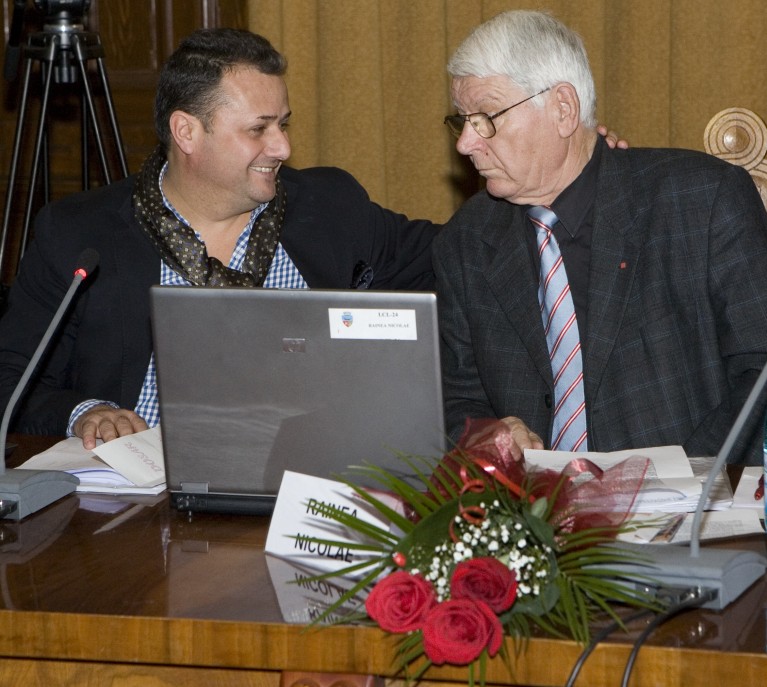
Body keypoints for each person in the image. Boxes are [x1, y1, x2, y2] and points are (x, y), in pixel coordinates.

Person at [0, 27, 625, 450]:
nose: (284, 148)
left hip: (312, 499)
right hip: (135, 516)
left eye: (286, 123)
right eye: (260, 129)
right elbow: (12, 383)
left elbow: (464, 257)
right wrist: (87, 414)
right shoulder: (80, 237)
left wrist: (572, 175)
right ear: (186, 132)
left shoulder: (328, 208)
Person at [433, 10, 767, 465]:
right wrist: (489, 435)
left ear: (562, 109)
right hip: (533, 519)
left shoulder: (701, 201)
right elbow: (454, 402)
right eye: (461, 121)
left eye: (485, 118)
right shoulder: (468, 240)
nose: (465, 143)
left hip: (689, 511)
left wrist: (673, 482)